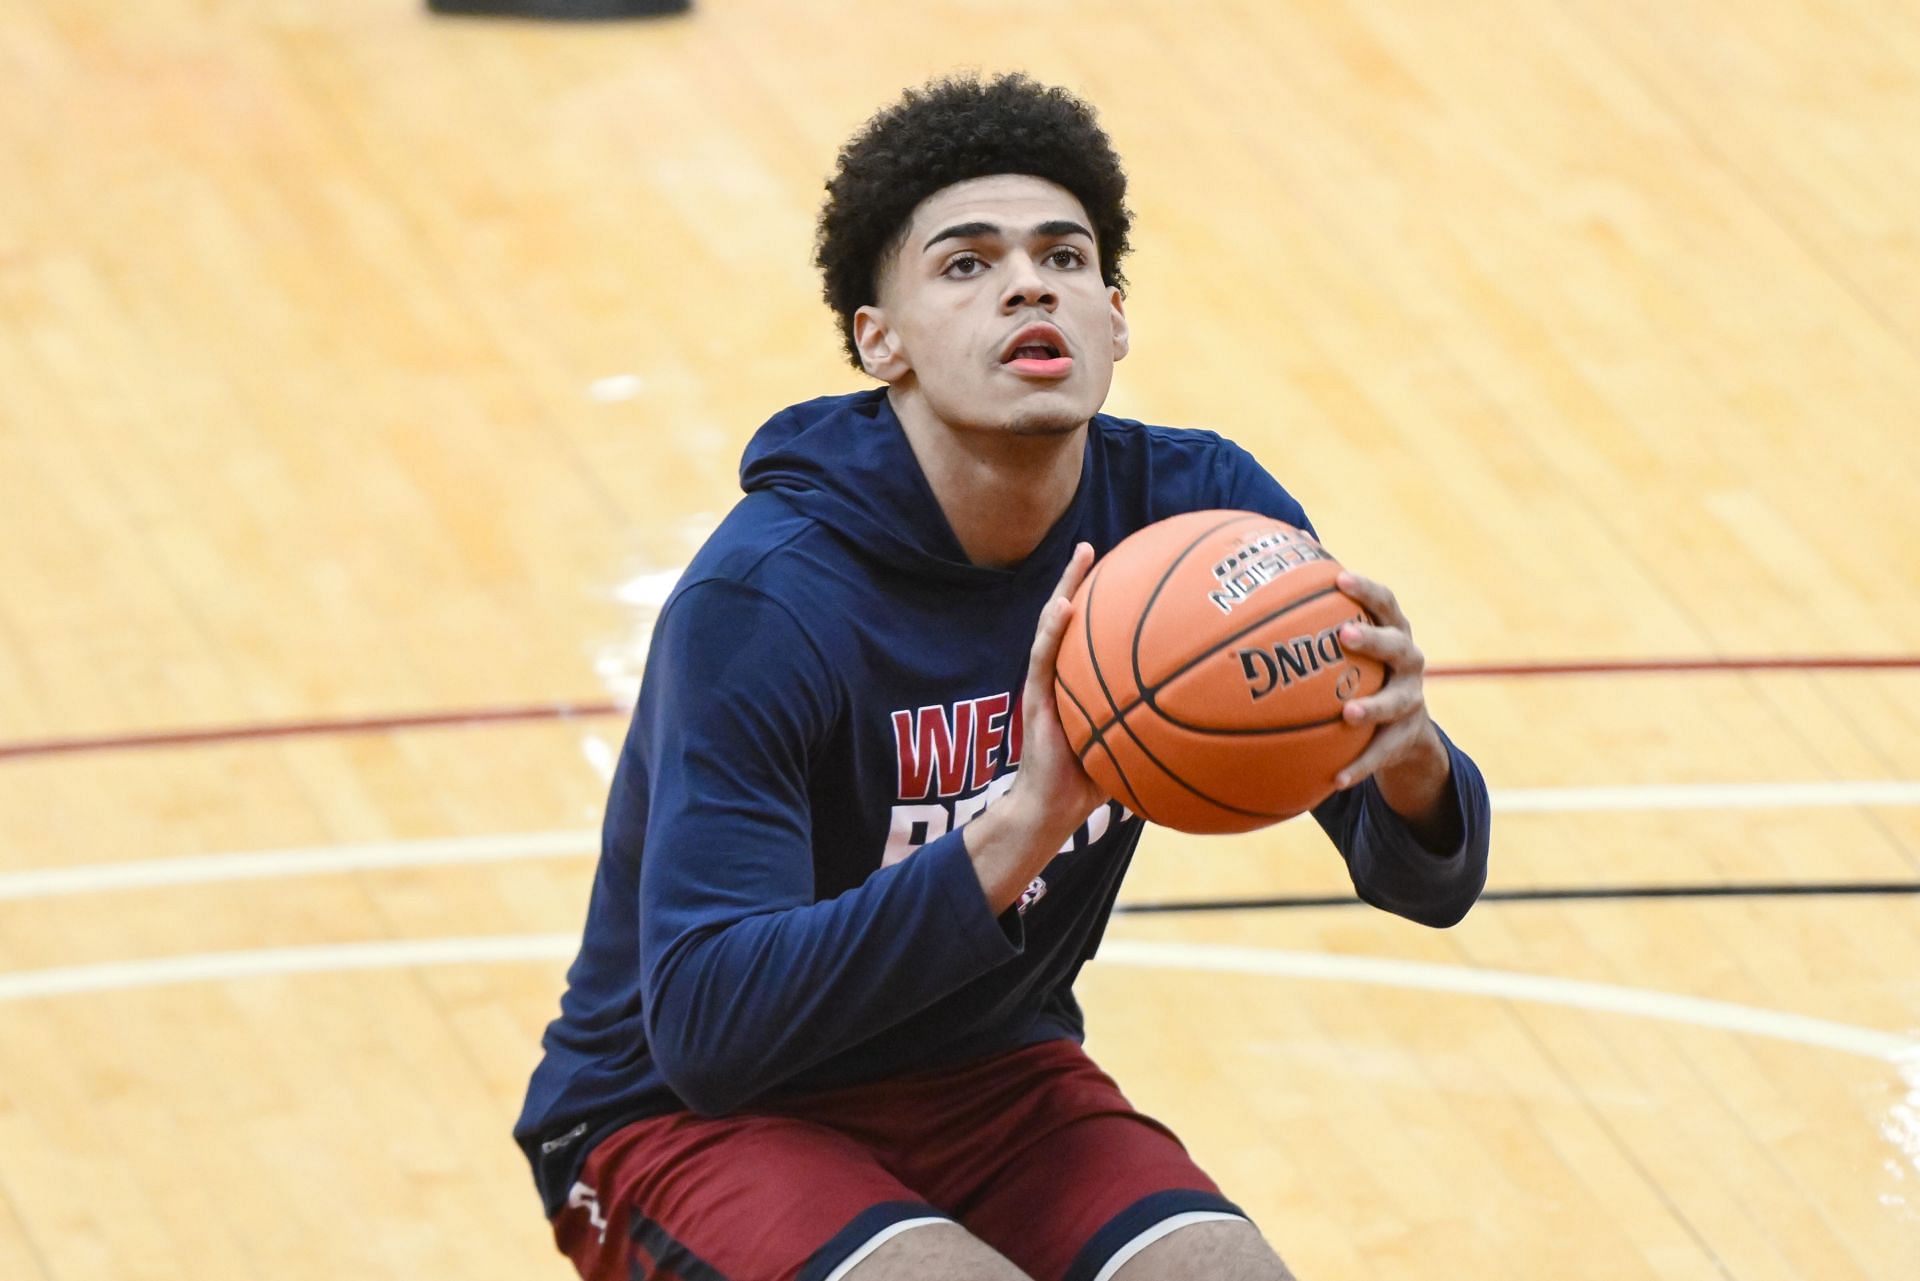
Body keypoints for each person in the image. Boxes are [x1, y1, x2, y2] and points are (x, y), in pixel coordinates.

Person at [516, 73, 1492, 1281]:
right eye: (966, 264)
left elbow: (1424, 885)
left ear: (1116, 317)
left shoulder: (1198, 525)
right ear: (882, 341)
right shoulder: (765, 603)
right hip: (679, 1113)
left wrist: (1407, 759)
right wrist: (1021, 826)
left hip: (989, 1069)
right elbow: (713, 1029)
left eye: (1065, 257)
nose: (1030, 283)